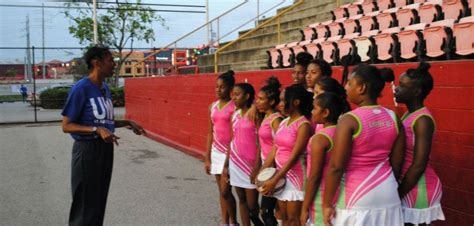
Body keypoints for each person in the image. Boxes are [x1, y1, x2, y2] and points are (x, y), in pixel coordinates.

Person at [61, 46, 146, 226]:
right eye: (110, 61)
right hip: (87, 151)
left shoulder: (104, 88)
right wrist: (95, 130)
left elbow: (104, 123)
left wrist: (128, 123)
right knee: (85, 203)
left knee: (99, 201)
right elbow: (67, 125)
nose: (114, 64)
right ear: (97, 63)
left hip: (104, 149)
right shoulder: (81, 88)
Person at [322, 64, 406, 226]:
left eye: (349, 83)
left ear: (361, 88)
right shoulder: (393, 118)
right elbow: (396, 163)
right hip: (388, 191)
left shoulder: (348, 120)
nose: (346, 87)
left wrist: (326, 204)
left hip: (356, 195)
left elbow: (336, 166)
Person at [394, 62, 445, 226]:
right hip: (408, 185)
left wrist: (396, 195)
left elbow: (418, 165)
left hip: (419, 187)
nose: (396, 88)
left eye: (402, 85)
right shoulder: (410, 114)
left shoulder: (422, 120)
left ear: (416, 91)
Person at [260, 84, 313, 226]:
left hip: (296, 178)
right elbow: (274, 150)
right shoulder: (284, 122)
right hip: (280, 176)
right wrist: (262, 173)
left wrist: (274, 179)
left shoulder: (303, 125)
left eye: (284, 101)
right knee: (284, 218)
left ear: (295, 102)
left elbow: (294, 157)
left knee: (293, 220)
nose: (280, 104)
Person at [301, 92, 349, 226]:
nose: (312, 111)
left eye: (314, 108)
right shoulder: (344, 132)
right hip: (340, 192)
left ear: (325, 112)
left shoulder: (320, 138)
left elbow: (314, 177)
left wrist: (304, 207)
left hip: (321, 196)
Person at [223, 82, 264, 226]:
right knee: (241, 199)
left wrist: (257, 167)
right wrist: (226, 164)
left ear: (247, 96)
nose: (234, 98)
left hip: (251, 165)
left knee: (253, 206)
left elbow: (261, 143)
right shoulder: (234, 114)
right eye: (232, 95)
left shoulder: (256, 114)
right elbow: (232, 139)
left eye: (237, 94)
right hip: (235, 163)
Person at [204, 70, 238, 225]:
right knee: (222, 192)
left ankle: (234, 221)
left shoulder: (234, 107)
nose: (218, 90)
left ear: (230, 88)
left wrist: (229, 158)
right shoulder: (213, 106)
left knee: (226, 191)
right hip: (216, 152)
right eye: (216, 87)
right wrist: (207, 157)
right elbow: (210, 132)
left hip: (229, 153)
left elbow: (235, 134)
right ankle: (225, 222)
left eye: (222, 87)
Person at [252, 76, 284, 226]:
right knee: (262, 211)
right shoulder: (265, 117)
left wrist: (266, 170)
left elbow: (279, 146)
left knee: (266, 211)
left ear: (271, 101)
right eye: (257, 98)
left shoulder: (276, 120)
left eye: (261, 99)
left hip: (274, 170)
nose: (257, 102)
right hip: (266, 167)